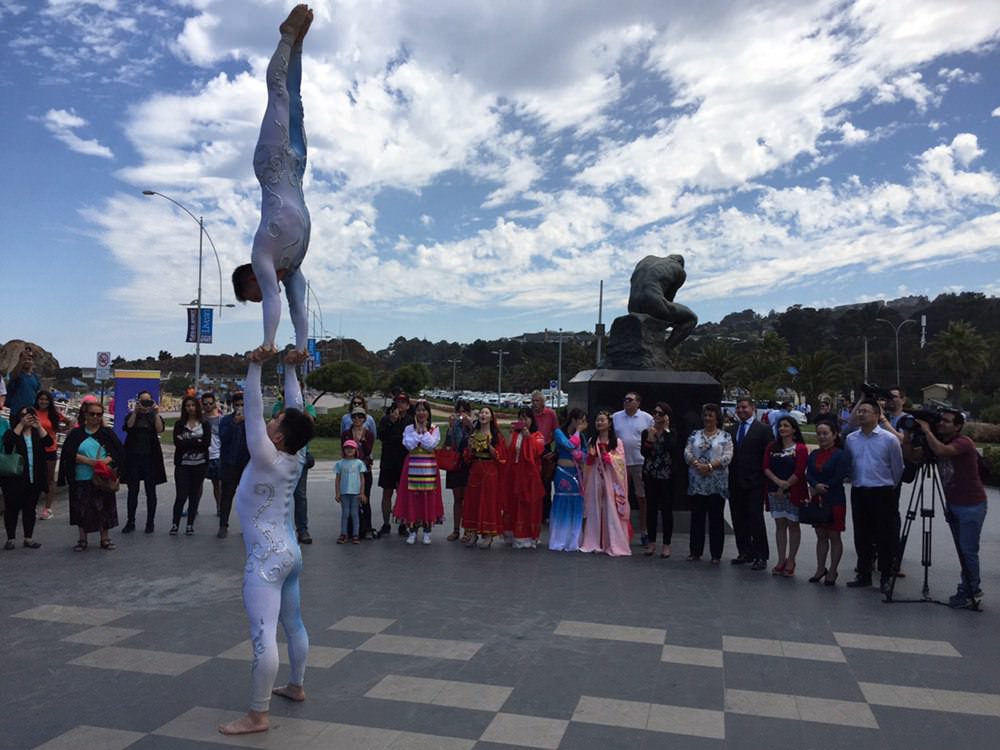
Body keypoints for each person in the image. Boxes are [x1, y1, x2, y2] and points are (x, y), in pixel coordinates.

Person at [218, 346, 315, 736]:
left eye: (276, 424)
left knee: (263, 636)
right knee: (293, 624)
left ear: (277, 436)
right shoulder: (297, 454)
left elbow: (255, 409)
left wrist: (255, 365)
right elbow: (297, 412)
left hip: (266, 561)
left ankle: (257, 715)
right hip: (290, 554)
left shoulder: (265, 455)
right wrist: (291, 371)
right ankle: (296, 685)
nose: (271, 423)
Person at [230, 4, 314, 364]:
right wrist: (300, 346)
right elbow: (297, 300)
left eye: (253, 295)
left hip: (273, 163)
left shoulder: (261, 253)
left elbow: (274, 295)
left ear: (249, 280)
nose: (262, 296)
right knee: (295, 101)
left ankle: (286, 37)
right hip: (296, 168)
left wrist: (268, 342)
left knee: (279, 94)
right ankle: (296, 47)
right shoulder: (291, 267)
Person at [910, 410, 988, 609]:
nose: (941, 424)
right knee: (963, 549)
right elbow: (913, 456)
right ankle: (968, 589)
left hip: (972, 504)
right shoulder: (938, 441)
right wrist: (907, 436)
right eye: (941, 420)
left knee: (967, 550)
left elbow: (943, 452)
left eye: (947, 421)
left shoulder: (964, 442)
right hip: (954, 503)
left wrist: (927, 431)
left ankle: (971, 590)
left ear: (958, 426)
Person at [844, 399, 904, 593]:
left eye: (866, 411)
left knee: (884, 535)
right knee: (862, 534)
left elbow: (898, 468)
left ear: (878, 416)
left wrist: (888, 487)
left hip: (882, 491)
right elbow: (850, 465)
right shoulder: (852, 439)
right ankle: (864, 573)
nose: (861, 414)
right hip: (859, 491)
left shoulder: (889, 439)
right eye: (859, 411)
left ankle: (885, 576)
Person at [58, 401, 124, 551]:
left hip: (103, 477)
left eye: (99, 414)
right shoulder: (76, 434)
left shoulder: (107, 433)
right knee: (81, 508)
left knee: (105, 507)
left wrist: (107, 461)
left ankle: (105, 538)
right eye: (92, 414)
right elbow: (68, 454)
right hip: (82, 476)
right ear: (85, 415)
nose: (95, 417)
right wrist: (87, 461)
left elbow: (118, 453)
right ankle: (82, 539)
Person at [727, 396, 772, 570]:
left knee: (755, 518)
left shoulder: (763, 429)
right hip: (735, 481)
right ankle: (744, 551)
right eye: (738, 408)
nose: (740, 410)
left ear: (752, 408)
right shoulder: (731, 430)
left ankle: (761, 555)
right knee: (738, 518)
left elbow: (768, 455)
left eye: (744, 407)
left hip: (755, 482)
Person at [684, 403, 733, 563]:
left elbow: (728, 456)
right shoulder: (694, 435)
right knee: (697, 518)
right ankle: (695, 552)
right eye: (705, 415)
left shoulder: (725, 437)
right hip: (697, 481)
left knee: (716, 519)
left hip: (716, 484)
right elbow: (687, 452)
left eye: (711, 415)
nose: (707, 418)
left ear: (717, 418)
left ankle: (716, 554)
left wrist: (710, 466)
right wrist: (697, 464)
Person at [804, 418, 851, 586]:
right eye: (819, 434)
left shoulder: (840, 454)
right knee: (820, 535)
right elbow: (808, 472)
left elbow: (840, 476)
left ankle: (833, 570)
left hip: (834, 498)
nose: (822, 437)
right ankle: (820, 568)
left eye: (825, 433)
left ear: (834, 435)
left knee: (834, 535)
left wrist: (825, 486)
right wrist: (815, 485)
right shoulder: (814, 454)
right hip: (818, 498)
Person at [762, 416, 809, 577]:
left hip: (793, 492)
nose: (782, 428)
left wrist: (786, 486)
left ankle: (791, 560)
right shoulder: (772, 447)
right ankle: (781, 559)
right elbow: (766, 467)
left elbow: (799, 471)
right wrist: (778, 482)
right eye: (780, 426)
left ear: (794, 429)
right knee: (780, 525)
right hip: (774, 490)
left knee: (793, 525)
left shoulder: (800, 448)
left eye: (786, 426)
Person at [580, 411, 631, 556]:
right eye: (597, 420)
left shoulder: (617, 442)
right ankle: (594, 541)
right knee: (595, 509)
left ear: (609, 424)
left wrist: (609, 457)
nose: (599, 423)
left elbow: (620, 461)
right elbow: (588, 463)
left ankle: (612, 542)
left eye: (602, 420)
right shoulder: (592, 441)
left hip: (611, 479)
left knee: (611, 509)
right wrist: (590, 458)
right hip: (596, 477)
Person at [2, 406, 52, 549]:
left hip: (33, 477)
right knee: (12, 508)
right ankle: (10, 538)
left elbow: (49, 443)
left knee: (30, 509)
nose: (27, 417)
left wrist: (39, 426)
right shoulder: (13, 432)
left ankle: (28, 538)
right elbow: (8, 443)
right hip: (15, 478)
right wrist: (21, 425)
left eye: (30, 415)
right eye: (23, 415)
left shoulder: (37, 434)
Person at [394, 400, 443, 545]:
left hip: (428, 468)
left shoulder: (434, 429)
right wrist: (418, 432)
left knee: (428, 498)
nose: (421, 413)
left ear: (428, 413)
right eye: (418, 410)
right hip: (412, 467)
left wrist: (424, 432)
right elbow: (409, 445)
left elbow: (431, 445)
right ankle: (412, 530)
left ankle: (427, 531)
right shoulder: (409, 428)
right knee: (412, 499)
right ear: (414, 413)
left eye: (424, 410)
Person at [121, 391, 167, 534]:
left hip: (150, 458)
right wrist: (136, 411)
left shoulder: (153, 416)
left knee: (150, 491)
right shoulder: (132, 415)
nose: (145, 404)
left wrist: (157, 412)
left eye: (148, 401)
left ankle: (150, 522)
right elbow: (128, 427)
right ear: (138, 401)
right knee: (132, 491)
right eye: (143, 401)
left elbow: (159, 429)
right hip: (133, 457)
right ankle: (130, 521)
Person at [612, 391, 654, 544]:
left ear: (638, 403)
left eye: (630, 400)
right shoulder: (615, 417)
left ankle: (644, 531)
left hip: (639, 463)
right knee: (619, 498)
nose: (626, 402)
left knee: (642, 498)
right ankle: (619, 530)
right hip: (619, 464)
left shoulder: (647, 418)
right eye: (625, 399)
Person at [461, 406, 506, 549]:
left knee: (488, 502)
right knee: (473, 501)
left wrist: (488, 446)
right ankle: (473, 532)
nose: (483, 415)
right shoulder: (474, 433)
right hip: (476, 470)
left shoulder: (496, 435)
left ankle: (488, 534)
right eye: (481, 413)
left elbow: (500, 456)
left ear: (491, 417)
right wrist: (469, 448)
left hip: (490, 470)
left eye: (486, 413)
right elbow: (468, 457)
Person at [503, 406, 545, 549]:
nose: (523, 421)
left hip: (529, 476)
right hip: (514, 473)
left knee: (528, 504)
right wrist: (510, 433)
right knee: (513, 503)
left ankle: (528, 535)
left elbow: (537, 451)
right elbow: (507, 449)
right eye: (520, 418)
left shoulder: (537, 435)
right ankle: (512, 532)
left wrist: (528, 438)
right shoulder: (515, 434)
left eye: (526, 418)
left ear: (532, 420)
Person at [171, 396, 212, 536]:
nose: (190, 408)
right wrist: (196, 441)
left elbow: (206, 443)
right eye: (187, 405)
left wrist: (188, 441)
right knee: (181, 495)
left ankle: (190, 524)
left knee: (194, 495)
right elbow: (178, 444)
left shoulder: (204, 424)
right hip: (183, 464)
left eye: (193, 405)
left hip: (200, 464)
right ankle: (175, 524)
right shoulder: (179, 424)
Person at [640, 402, 676, 558]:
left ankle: (667, 544)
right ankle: (651, 542)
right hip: (651, 474)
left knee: (667, 510)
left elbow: (672, 449)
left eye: (660, 414)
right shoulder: (647, 432)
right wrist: (649, 439)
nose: (656, 416)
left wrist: (666, 431)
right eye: (655, 412)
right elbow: (645, 453)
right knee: (651, 509)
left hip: (667, 475)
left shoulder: (672, 432)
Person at [549, 409, 587, 552]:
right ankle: (559, 538)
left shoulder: (582, 436)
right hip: (563, 472)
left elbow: (584, 453)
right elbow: (569, 445)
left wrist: (580, 455)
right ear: (573, 419)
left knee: (576, 504)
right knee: (562, 502)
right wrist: (577, 432)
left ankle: (573, 539)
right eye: (580, 420)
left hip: (576, 473)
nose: (582, 424)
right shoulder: (559, 433)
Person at [34, 390, 73, 521]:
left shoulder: (54, 414)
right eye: (41, 399)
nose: (43, 402)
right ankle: (32, 505)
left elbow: (70, 422)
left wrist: (61, 430)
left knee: (49, 479)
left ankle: (48, 508)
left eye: (46, 399)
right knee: (34, 478)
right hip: (34, 449)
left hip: (50, 449)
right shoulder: (32, 412)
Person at [378, 393, 413, 536]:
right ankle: (386, 523)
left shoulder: (411, 421)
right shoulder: (386, 419)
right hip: (388, 461)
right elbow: (381, 436)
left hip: (403, 461)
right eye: (398, 402)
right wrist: (391, 422)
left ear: (408, 405)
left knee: (402, 493)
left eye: (403, 402)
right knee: (387, 492)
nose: (400, 404)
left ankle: (402, 523)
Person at [217, 391, 250, 539]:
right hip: (229, 463)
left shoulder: (253, 420)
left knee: (248, 497)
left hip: (248, 464)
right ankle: (223, 525)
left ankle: (248, 527)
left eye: (243, 405)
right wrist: (234, 424)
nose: (240, 407)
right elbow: (223, 438)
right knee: (227, 495)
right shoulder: (226, 420)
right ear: (232, 406)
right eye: (237, 405)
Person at [341, 406, 375, 536]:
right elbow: (344, 451)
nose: (357, 419)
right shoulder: (346, 434)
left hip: (364, 470)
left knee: (365, 498)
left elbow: (367, 451)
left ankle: (367, 528)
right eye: (354, 416)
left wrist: (361, 440)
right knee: (349, 499)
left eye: (360, 416)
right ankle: (350, 529)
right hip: (349, 470)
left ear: (364, 419)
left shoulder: (368, 434)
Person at [444, 400, 473, 542]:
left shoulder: (473, 425)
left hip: (468, 464)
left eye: (464, 411)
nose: (461, 414)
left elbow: (478, 441)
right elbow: (448, 445)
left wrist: (470, 426)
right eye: (459, 411)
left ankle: (468, 530)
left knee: (468, 499)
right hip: (455, 464)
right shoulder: (453, 426)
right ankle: (456, 530)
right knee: (457, 499)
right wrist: (450, 427)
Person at [529, 391, 559, 523]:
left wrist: (554, 450)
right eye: (533, 401)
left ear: (543, 402)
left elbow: (556, 431)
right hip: (531, 448)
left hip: (545, 448)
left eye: (537, 401)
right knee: (532, 481)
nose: (534, 404)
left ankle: (546, 514)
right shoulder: (530, 414)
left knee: (546, 483)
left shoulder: (550, 414)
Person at [334, 440, 367, 544]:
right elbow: (337, 479)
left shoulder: (359, 463)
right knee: (345, 514)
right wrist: (337, 492)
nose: (349, 450)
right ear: (343, 450)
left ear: (355, 450)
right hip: (344, 492)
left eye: (351, 448)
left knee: (354, 514)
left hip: (355, 492)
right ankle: (343, 534)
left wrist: (362, 493)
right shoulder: (340, 463)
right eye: (347, 448)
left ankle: (355, 534)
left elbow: (362, 479)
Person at [202, 392, 223, 516]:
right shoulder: (200, 419)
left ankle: (220, 508)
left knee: (218, 484)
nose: (208, 405)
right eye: (205, 404)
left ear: (214, 403)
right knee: (197, 484)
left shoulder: (221, 419)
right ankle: (193, 507)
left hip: (217, 456)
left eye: (210, 403)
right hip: (203, 456)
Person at [6, 346, 40, 416]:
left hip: (30, 413)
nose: (27, 361)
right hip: (16, 412)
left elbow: (36, 393)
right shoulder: (17, 374)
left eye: (29, 359)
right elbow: (14, 375)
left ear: (33, 362)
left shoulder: (35, 377)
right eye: (25, 359)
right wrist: (22, 358)